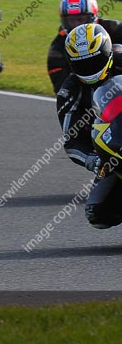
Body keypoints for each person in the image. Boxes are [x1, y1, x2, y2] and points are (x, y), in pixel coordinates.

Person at [58, 23, 122, 228]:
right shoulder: (69, 93)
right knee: (98, 214)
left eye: (96, 61)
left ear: (107, 51)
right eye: (82, 65)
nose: (90, 69)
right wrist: (93, 161)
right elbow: (72, 142)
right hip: (108, 148)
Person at [47, 0, 122, 94]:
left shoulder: (114, 28)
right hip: (90, 96)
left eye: (81, 19)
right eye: (71, 20)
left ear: (93, 16)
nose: (77, 25)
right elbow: (61, 86)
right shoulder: (57, 48)